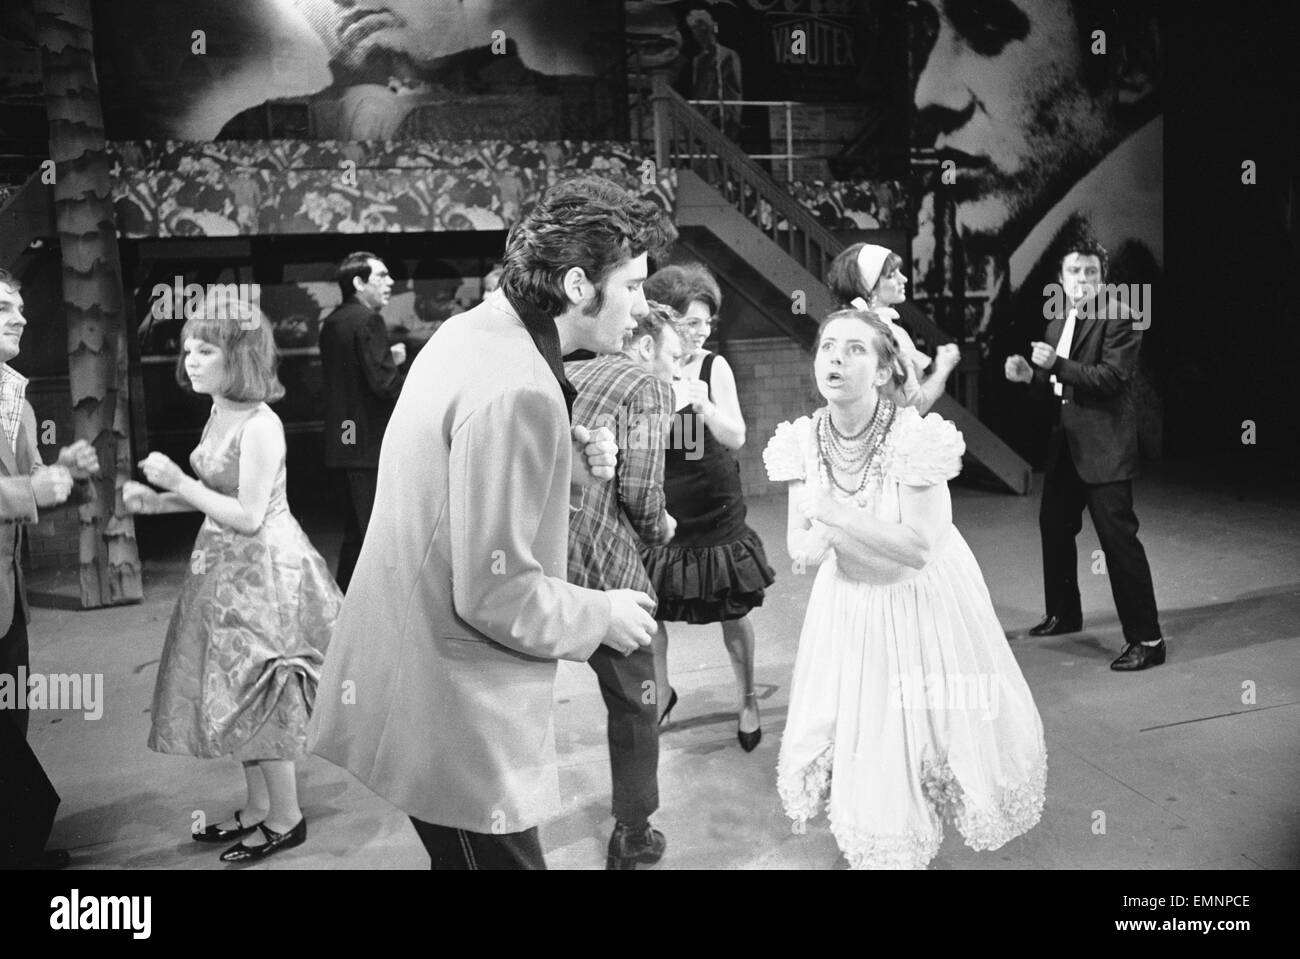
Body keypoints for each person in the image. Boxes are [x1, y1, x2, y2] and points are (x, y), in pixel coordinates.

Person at [309, 175, 673, 870]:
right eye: (632, 285)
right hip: (453, 708)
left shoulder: (476, 328)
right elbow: (494, 589)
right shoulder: (519, 389)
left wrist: (567, 450)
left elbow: (461, 479)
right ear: (575, 285)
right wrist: (601, 613)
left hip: (408, 671)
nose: (643, 306)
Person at [764, 308, 1046, 869]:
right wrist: (814, 541)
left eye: (855, 350)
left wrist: (836, 515)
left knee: (934, 723)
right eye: (827, 347)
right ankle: (886, 844)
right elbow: (799, 543)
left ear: (885, 369)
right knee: (869, 735)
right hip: (850, 604)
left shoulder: (917, 438)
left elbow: (919, 546)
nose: (836, 359)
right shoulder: (801, 439)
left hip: (921, 601)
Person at [123, 301, 342, 863]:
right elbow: (217, 499)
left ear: (239, 355)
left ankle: (287, 816)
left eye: (206, 350)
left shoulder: (261, 425)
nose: (190, 361)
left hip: (265, 570)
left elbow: (248, 513)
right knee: (234, 692)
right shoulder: (221, 409)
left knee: (263, 692)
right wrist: (162, 500)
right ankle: (256, 806)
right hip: (223, 564)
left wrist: (177, 480)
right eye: (188, 349)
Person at [1004, 231, 1165, 670]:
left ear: (1103, 277)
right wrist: (1029, 376)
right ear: (1061, 276)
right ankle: (1064, 613)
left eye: (1091, 272)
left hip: (1105, 446)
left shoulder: (1124, 315)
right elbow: (1060, 385)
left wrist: (1053, 364)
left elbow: (1111, 378)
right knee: (1054, 526)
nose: (1082, 280)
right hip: (1068, 444)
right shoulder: (1059, 321)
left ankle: (1148, 640)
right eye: (1074, 271)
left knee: (1118, 542)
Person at [565, 301, 682, 869]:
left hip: (531, 557)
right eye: (675, 359)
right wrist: (663, 528)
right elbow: (639, 490)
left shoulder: (571, 369)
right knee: (637, 701)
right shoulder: (647, 386)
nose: (676, 375)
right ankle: (633, 834)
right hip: (597, 561)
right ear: (643, 347)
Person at [640, 263, 774, 752]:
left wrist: (704, 407)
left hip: (714, 502)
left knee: (732, 610)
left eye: (707, 323)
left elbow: (736, 437)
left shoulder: (714, 367)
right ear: (664, 321)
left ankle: (747, 698)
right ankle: (659, 697)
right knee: (649, 615)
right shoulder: (643, 363)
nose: (702, 333)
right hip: (662, 505)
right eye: (692, 323)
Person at [0, 268, 98, 869]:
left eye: (20, 306)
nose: (21, 317)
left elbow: (34, 483)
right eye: (4, 306)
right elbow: (21, 489)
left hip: (8, 597)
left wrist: (70, 471)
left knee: (12, 721)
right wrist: (34, 486)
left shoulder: (16, 395)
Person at [318, 251, 406, 591]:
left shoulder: (334, 321)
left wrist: (387, 358)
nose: (390, 282)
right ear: (358, 283)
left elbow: (351, 379)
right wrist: (404, 368)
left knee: (356, 533)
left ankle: (341, 603)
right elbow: (385, 386)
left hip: (344, 443)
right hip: (367, 446)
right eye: (381, 276)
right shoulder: (369, 321)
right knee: (374, 534)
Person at [826, 242, 961, 413]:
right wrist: (943, 369)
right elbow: (912, 407)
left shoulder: (869, 327)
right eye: (891, 275)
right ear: (869, 288)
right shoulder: (881, 334)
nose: (903, 279)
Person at [686, 8, 743, 139]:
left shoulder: (727, 55)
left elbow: (735, 89)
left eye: (698, 27)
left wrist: (735, 119)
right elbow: (697, 89)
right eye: (693, 28)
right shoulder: (697, 60)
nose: (696, 33)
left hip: (723, 115)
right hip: (703, 116)